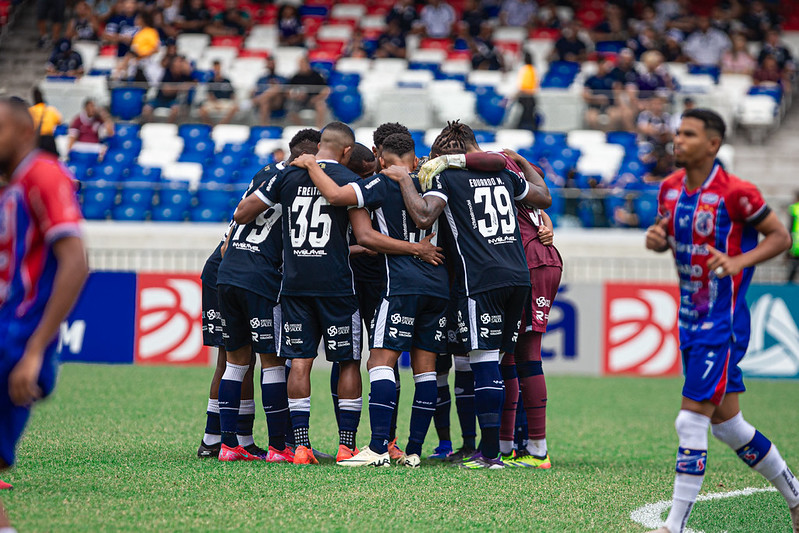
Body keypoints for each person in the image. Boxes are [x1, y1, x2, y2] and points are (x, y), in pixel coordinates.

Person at [644, 108, 798, 533]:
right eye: (678, 133)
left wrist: (737, 261)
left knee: (689, 418)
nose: (679, 140)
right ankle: (797, 497)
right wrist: (656, 239)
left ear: (713, 144)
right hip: (690, 319)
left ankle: (673, 526)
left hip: (723, 322)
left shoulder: (737, 192)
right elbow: (666, 233)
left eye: (690, 134)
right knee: (729, 427)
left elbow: (781, 236)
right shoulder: (670, 189)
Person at [386, 120, 546, 468]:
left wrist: (402, 180)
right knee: (502, 362)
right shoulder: (506, 173)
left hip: (480, 279)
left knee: (483, 362)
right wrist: (519, 159)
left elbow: (425, 216)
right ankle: (502, 448)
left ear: (447, 154)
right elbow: (543, 196)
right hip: (518, 276)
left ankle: (489, 456)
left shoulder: (447, 176)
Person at [290, 133, 447, 467]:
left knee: (378, 363)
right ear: (415, 159)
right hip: (438, 284)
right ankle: (413, 450)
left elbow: (346, 210)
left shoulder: (378, 184)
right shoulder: (436, 184)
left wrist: (308, 163)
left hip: (400, 284)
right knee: (426, 371)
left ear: (380, 157)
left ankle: (376, 448)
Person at [232, 123, 383, 465]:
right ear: (347, 151)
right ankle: (346, 446)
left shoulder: (287, 176)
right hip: (337, 286)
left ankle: (300, 446)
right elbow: (363, 234)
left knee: (300, 361)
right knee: (347, 360)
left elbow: (243, 213)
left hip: (295, 284)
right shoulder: (350, 180)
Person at [0, 96, 89, 533]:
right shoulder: (12, 184)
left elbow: (76, 262)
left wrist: (34, 349)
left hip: (15, 338)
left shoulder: (43, 174)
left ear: (21, 131)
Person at [214, 131, 322, 463]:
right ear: (309, 156)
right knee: (272, 363)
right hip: (262, 278)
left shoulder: (265, 173)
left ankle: (228, 444)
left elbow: (239, 217)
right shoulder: (299, 182)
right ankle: (279, 447)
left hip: (229, 271)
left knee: (235, 363)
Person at [141, 56, 196, 123]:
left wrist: (188, 70)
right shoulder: (166, 72)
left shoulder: (183, 75)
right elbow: (166, 91)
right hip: (159, 99)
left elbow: (194, 83)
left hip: (172, 100)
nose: (180, 65)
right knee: (146, 109)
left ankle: (169, 126)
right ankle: (151, 124)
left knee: (175, 109)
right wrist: (180, 87)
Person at [285, 56, 330, 129]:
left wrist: (316, 98)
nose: (300, 66)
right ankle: (300, 128)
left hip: (314, 100)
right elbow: (288, 92)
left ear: (307, 64)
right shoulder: (295, 77)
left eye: (302, 63)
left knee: (321, 105)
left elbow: (326, 90)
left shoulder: (316, 75)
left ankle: (319, 128)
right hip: (299, 101)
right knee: (290, 107)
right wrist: (296, 96)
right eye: (299, 64)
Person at [199, 60, 238, 125]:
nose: (217, 70)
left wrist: (234, 102)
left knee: (234, 108)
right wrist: (215, 104)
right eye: (215, 68)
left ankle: (221, 125)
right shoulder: (210, 81)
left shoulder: (227, 81)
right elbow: (209, 95)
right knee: (202, 110)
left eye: (218, 68)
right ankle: (210, 126)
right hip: (213, 102)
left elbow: (232, 94)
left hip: (225, 102)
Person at [28, 87, 62, 158]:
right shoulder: (51, 110)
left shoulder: (30, 111)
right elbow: (59, 122)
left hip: (36, 139)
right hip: (49, 139)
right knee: (53, 159)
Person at [251, 57, 286, 126]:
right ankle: (265, 127)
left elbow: (285, 92)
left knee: (276, 88)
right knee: (265, 102)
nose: (271, 65)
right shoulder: (261, 79)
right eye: (269, 63)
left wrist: (275, 86)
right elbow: (256, 91)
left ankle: (253, 102)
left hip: (278, 103)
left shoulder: (282, 78)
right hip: (264, 102)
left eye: (272, 63)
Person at [788, 192, 799, 283]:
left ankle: (788, 289)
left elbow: (790, 227)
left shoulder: (794, 208)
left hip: (796, 245)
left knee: (793, 270)